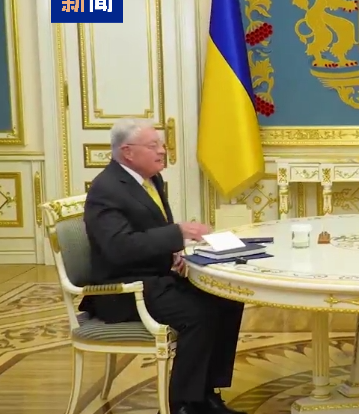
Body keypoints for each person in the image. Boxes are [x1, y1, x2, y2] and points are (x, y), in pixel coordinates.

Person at [80, 118, 247, 414]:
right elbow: (119, 247)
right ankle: (182, 405)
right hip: (123, 290)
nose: (162, 151)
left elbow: (147, 232)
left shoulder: (151, 179)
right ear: (128, 152)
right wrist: (177, 233)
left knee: (228, 298)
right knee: (199, 314)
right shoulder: (106, 189)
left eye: (161, 144)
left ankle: (207, 394)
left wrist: (173, 253)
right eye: (153, 145)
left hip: (156, 278)